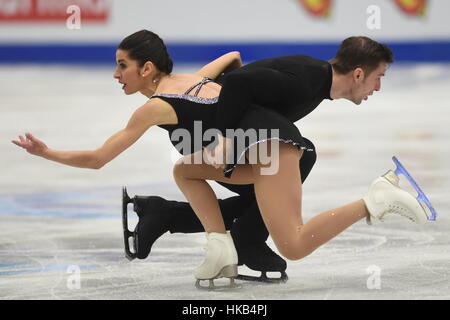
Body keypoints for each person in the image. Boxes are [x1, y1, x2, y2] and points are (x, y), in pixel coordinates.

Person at [10, 29, 298, 283]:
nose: (116, 74)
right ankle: (173, 220)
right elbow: (233, 56)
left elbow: (97, 159)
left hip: (268, 163)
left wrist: (46, 153)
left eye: (123, 66)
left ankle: (218, 249)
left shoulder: (155, 107)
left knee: (184, 170)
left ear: (147, 68)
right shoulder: (193, 78)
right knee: (211, 179)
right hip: (285, 152)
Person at [170, 36, 434, 288]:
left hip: (268, 148)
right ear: (357, 74)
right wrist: (225, 136)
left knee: (291, 243)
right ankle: (374, 201)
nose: (378, 87)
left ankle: (229, 247)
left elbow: (242, 78)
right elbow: (239, 81)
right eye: (378, 78)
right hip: (265, 146)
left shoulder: (315, 80)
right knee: (185, 171)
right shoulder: (306, 80)